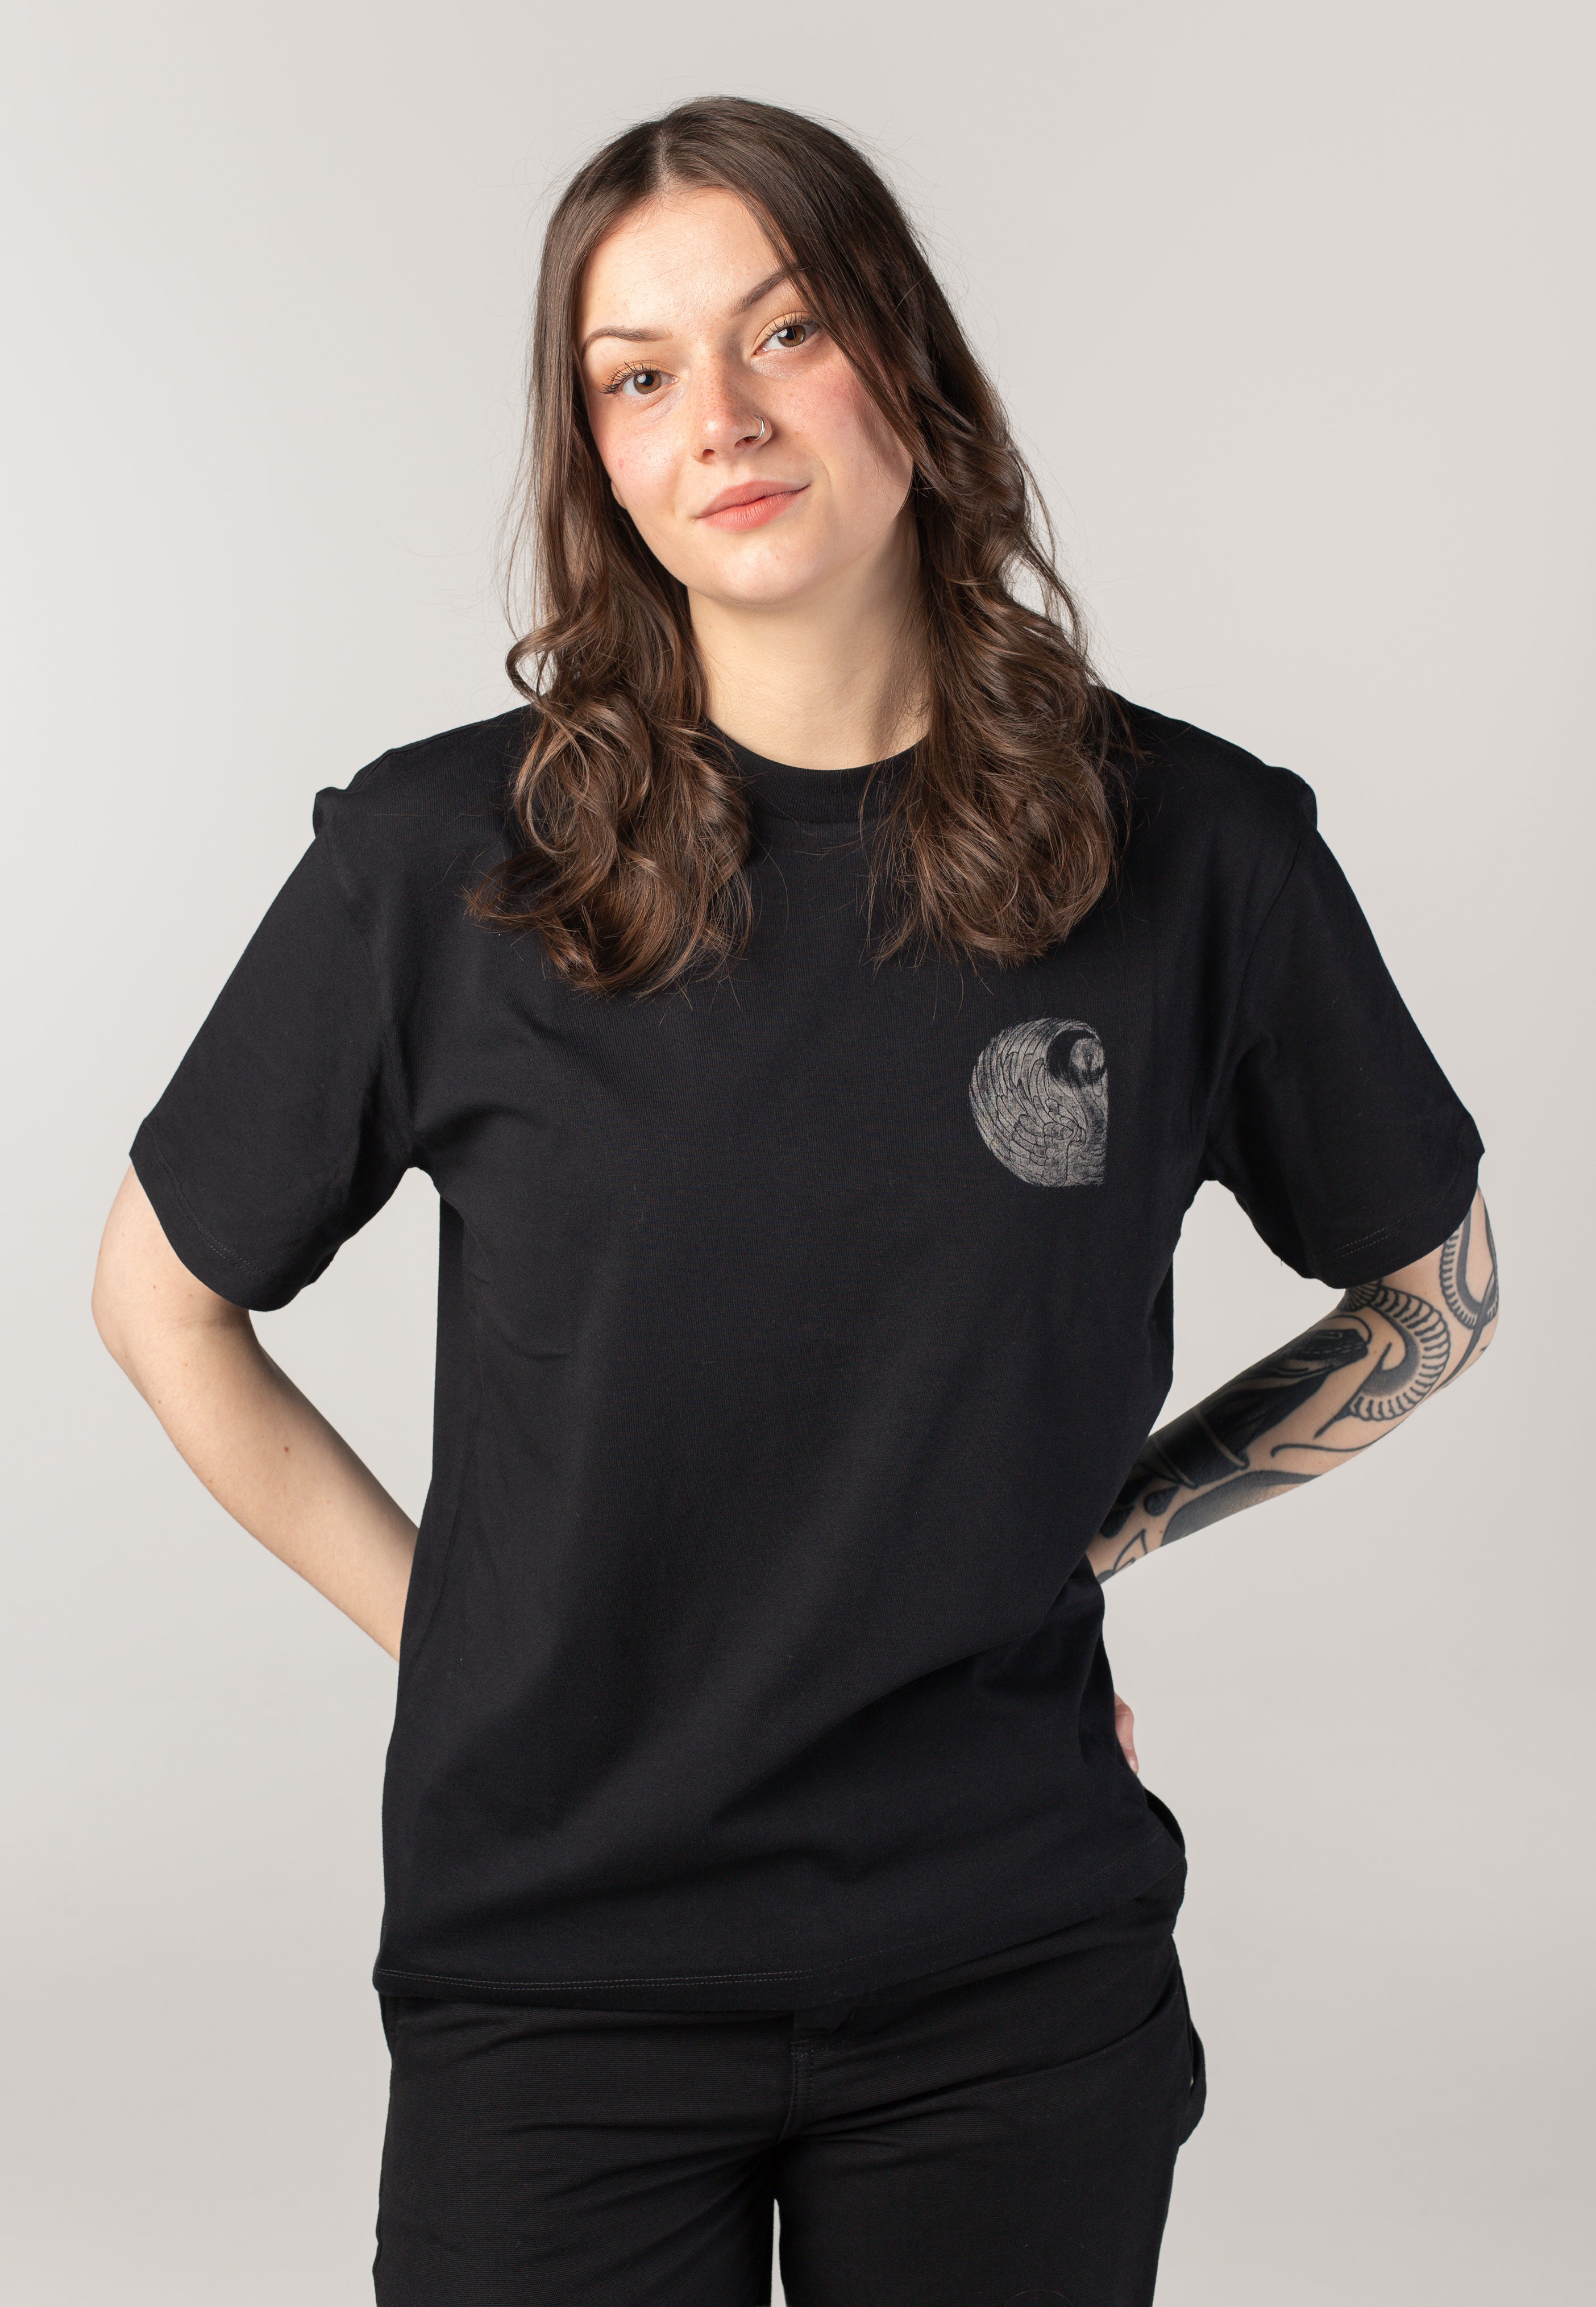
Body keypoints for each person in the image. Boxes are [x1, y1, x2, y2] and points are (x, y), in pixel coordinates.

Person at [91, 94, 1498, 2307]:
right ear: (597, 455)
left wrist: (1105, 1529)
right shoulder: (443, 866)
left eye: (785, 332)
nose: (721, 419)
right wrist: (460, 1639)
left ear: (907, 365)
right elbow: (160, 1296)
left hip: (1007, 1970)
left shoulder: (1200, 855)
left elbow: (1436, 1290)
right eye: (638, 374)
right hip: (552, 1970)